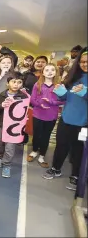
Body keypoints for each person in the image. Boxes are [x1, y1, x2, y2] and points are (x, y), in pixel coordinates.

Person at [43, 47, 87, 191]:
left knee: (79, 150)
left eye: (87, 62)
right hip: (66, 118)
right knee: (61, 145)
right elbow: (68, 97)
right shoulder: (74, 76)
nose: (84, 64)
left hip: (84, 124)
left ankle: (76, 175)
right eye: (82, 62)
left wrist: (86, 94)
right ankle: (56, 168)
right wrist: (61, 93)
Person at [0, 72, 28, 177]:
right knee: (0, 144)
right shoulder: (1, 95)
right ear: (8, 84)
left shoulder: (23, 96)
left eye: (19, 82)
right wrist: (1, 105)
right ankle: (0, 156)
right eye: (13, 82)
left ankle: (6, 164)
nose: (16, 84)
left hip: (14, 127)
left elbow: (25, 110)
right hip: (1, 125)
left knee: (10, 147)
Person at [28, 63, 63, 167]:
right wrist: (40, 104)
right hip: (38, 114)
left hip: (51, 116)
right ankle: (34, 151)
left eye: (52, 70)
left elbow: (63, 101)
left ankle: (42, 155)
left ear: (56, 72)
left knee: (46, 136)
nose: (49, 72)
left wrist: (51, 102)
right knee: (37, 134)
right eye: (47, 70)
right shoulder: (37, 84)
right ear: (42, 72)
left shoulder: (59, 86)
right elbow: (32, 99)